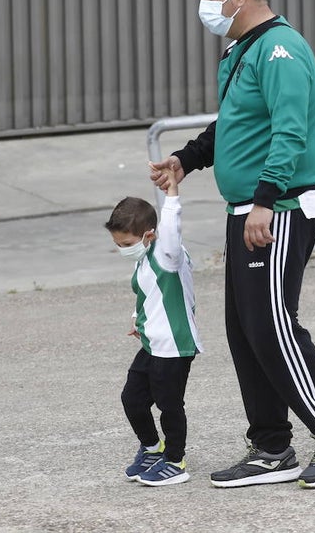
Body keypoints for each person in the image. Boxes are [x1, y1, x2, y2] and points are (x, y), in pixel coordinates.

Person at [150, 0, 315, 489]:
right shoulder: (242, 50)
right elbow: (234, 123)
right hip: (248, 208)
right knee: (246, 330)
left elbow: (290, 132)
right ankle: (271, 446)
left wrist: (267, 201)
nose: (203, 5)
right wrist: (187, 158)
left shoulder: (279, 49)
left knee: (272, 324)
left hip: (280, 208)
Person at [105, 163, 204, 487]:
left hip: (174, 346)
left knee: (169, 405)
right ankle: (151, 448)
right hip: (153, 344)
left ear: (149, 235)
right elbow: (148, 296)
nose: (122, 249)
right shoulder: (144, 260)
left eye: (125, 243)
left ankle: (175, 461)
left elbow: (172, 230)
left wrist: (172, 193)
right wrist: (138, 320)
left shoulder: (166, 254)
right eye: (117, 244)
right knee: (132, 398)